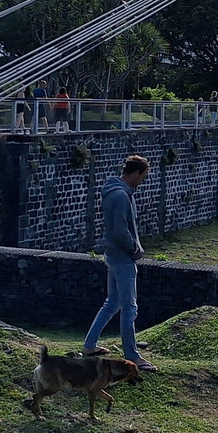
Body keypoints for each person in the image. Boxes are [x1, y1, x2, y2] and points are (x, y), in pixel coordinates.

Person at [82, 155, 158, 372]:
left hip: (113, 255)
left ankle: (89, 345)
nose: (143, 181)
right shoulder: (121, 196)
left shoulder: (113, 192)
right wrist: (134, 249)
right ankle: (132, 355)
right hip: (123, 258)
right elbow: (120, 230)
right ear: (136, 173)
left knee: (113, 302)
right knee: (129, 308)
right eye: (143, 176)